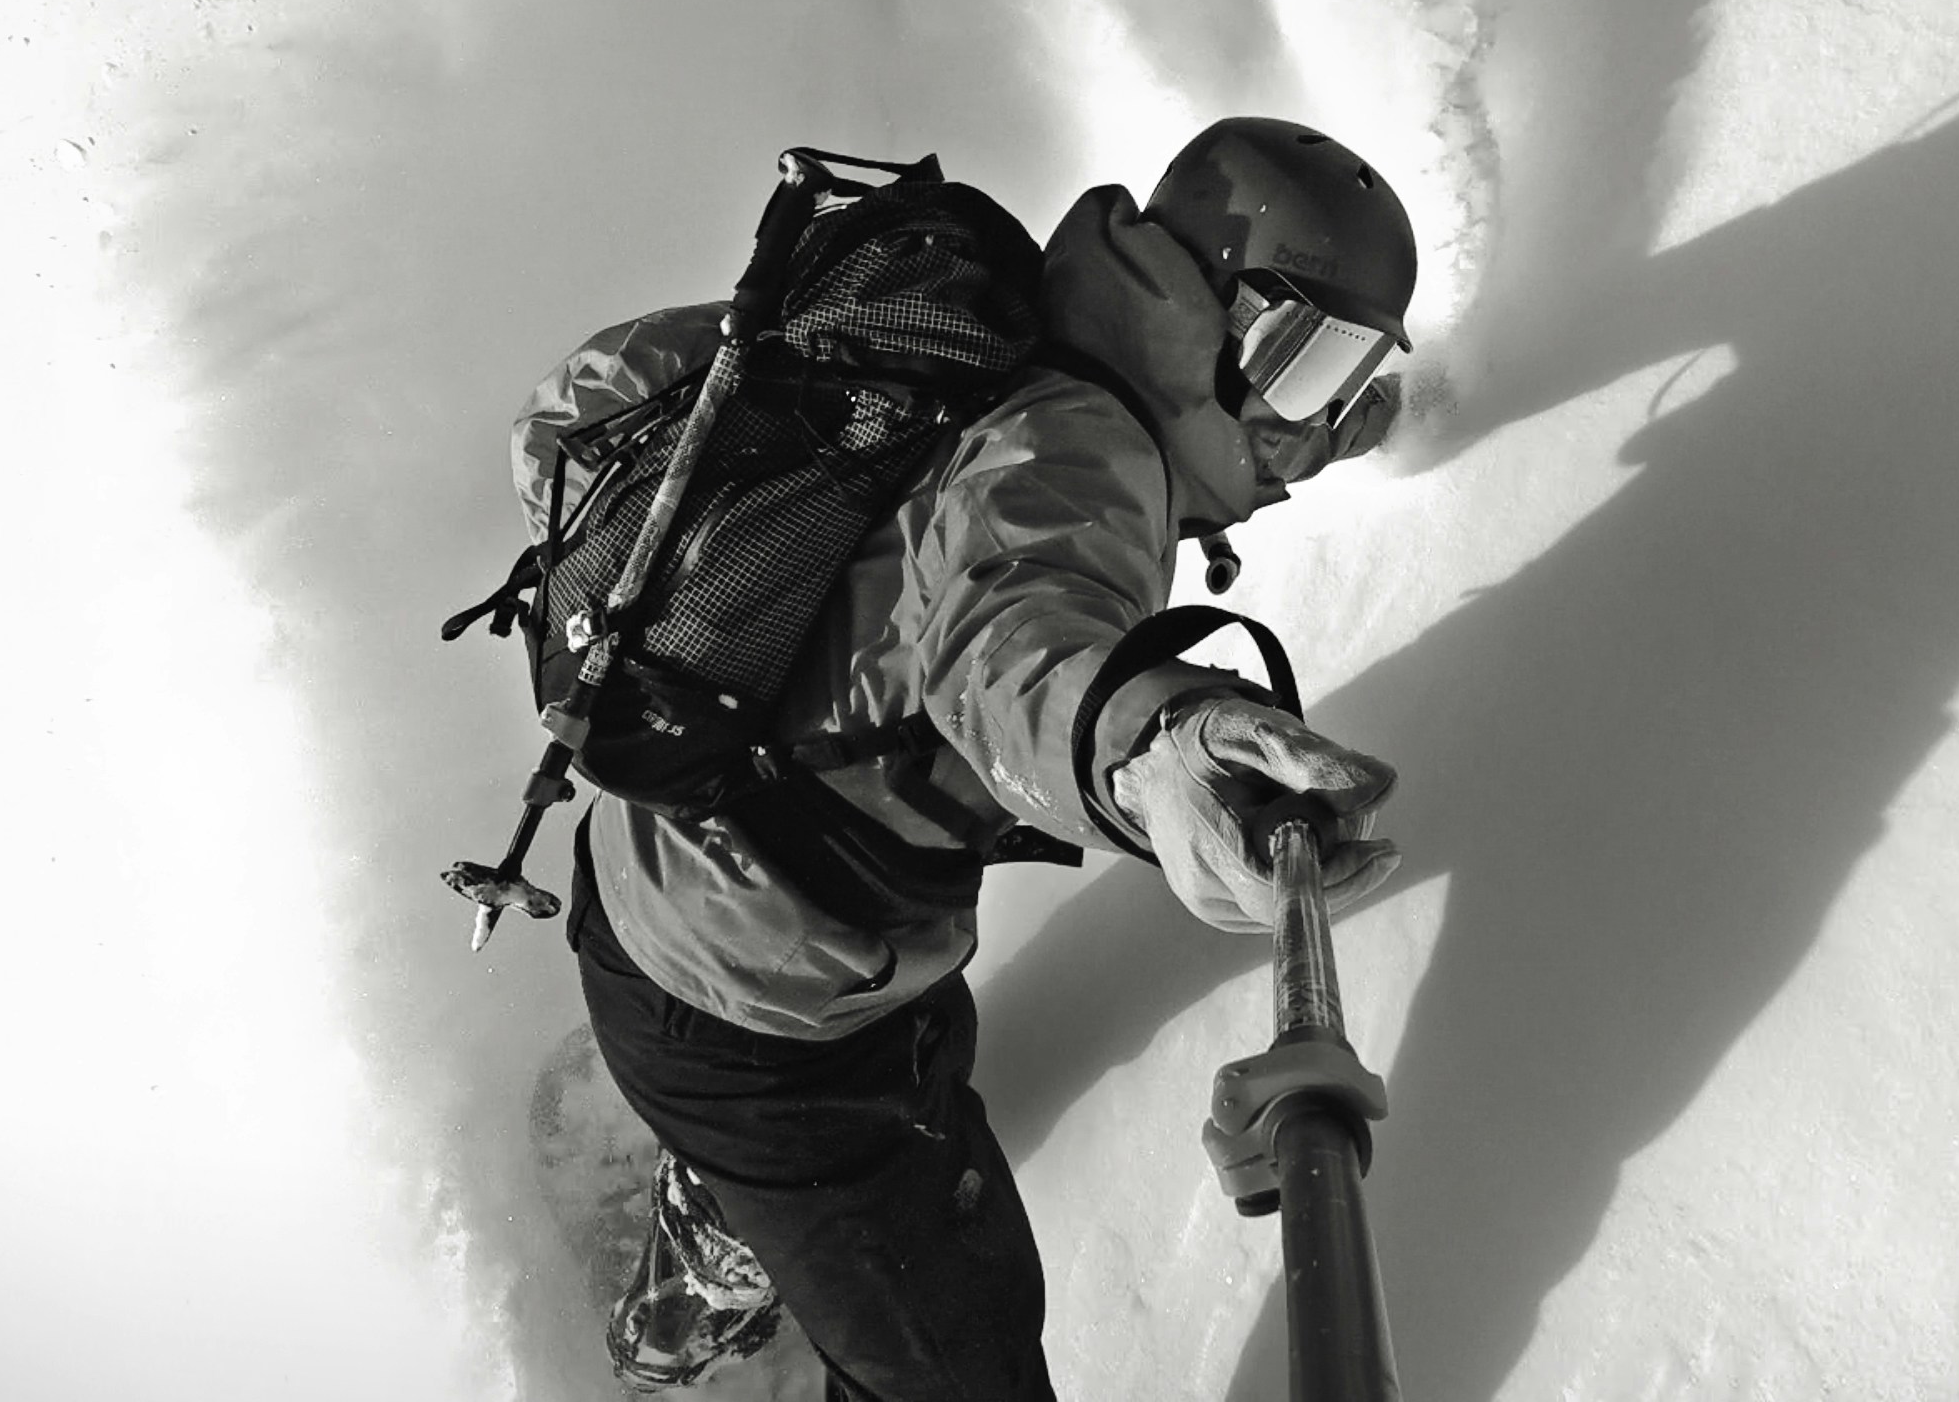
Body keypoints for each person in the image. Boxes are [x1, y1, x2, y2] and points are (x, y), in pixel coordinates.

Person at [516, 117, 1419, 1400]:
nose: (1306, 422)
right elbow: (1008, 643)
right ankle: (675, 1315)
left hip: (672, 883)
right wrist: (1151, 748)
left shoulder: (1001, 329)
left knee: (855, 1135)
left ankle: (717, 1229)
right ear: (1220, 313)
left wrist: (1346, 417)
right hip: (770, 1006)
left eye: (1345, 377)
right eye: (1300, 361)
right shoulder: (1082, 457)